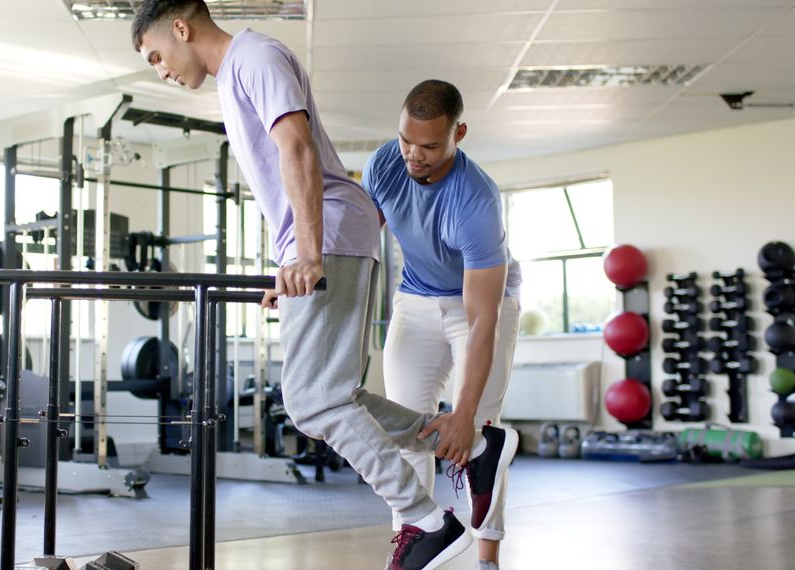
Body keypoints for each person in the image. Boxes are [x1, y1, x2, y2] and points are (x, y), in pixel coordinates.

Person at [131, 4, 517, 568]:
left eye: (156, 55)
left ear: (182, 28)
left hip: (333, 239)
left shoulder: (254, 57)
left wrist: (309, 252)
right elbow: (291, 181)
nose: (160, 69)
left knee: (311, 402)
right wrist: (285, 261)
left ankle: (426, 518)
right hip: (333, 241)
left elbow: (298, 149)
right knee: (337, 397)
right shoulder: (242, 69)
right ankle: (477, 451)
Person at [363, 79, 523, 570]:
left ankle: (488, 556)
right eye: (406, 139)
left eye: (430, 145)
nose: (414, 154)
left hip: (478, 308)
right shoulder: (386, 163)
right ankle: (412, 543)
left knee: (479, 432)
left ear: (460, 134)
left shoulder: (476, 202)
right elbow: (356, 241)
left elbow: (482, 319)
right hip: (415, 300)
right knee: (404, 428)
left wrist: (463, 413)